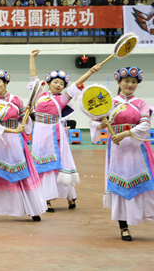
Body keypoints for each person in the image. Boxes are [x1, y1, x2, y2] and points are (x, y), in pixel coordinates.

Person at [29, 50, 101, 212]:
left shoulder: (63, 98)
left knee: (60, 163)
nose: (58, 85)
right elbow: (33, 77)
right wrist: (32, 58)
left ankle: (70, 196)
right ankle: (46, 199)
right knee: (43, 165)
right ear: (49, 83)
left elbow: (77, 85)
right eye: (55, 82)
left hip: (56, 134)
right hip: (40, 132)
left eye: (61, 84)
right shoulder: (39, 94)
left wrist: (90, 71)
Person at [89, 66, 153, 241]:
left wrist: (126, 134)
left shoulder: (141, 103)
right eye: (126, 81)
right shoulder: (110, 103)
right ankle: (123, 226)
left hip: (136, 148)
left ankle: (143, 215)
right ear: (119, 82)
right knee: (119, 185)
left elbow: (146, 125)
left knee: (142, 184)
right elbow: (95, 120)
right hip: (116, 150)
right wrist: (100, 125)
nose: (130, 85)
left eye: (133, 82)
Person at [0, 69, 46, 222]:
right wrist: (14, 129)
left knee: (22, 174)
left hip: (16, 141)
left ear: (5, 82)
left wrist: (27, 115)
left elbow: (22, 118)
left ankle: (31, 209)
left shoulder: (17, 100)